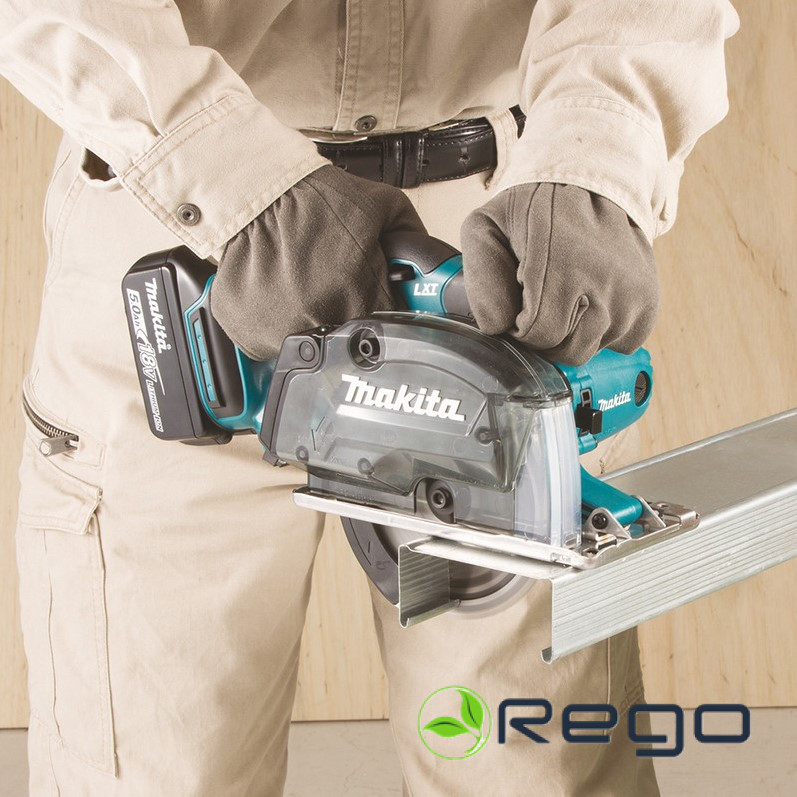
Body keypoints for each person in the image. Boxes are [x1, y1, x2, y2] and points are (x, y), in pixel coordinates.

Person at [0, 1, 739, 794]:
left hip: (503, 240)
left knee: (527, 760)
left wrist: (596, 158)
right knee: (155, 770)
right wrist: (234, 179)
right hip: (193, 237)